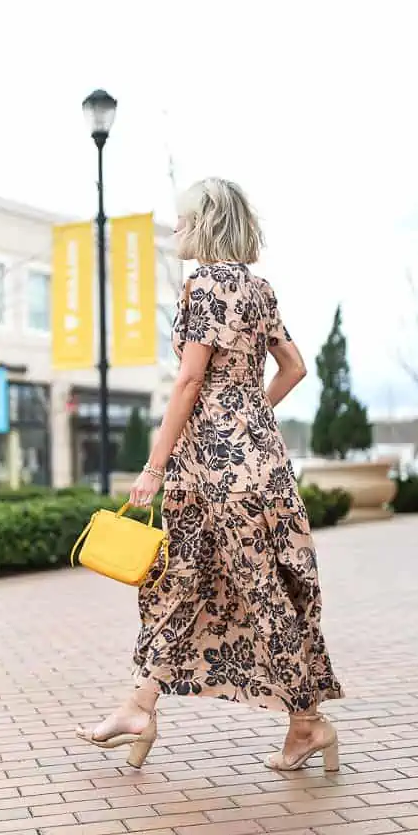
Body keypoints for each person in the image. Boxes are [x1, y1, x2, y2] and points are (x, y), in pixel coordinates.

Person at [76, 177, 343, 771]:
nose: (176, 230)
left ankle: (306, 724)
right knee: (215, 581)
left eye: (182, 220)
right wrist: (247, 418)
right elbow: (294, 367)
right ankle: (143, 705)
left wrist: (153, 466)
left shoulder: (202, 288)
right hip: (257, 463)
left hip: (208, 472)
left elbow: (189, 381)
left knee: (210, 582)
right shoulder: (259, 289)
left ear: (205, 225)